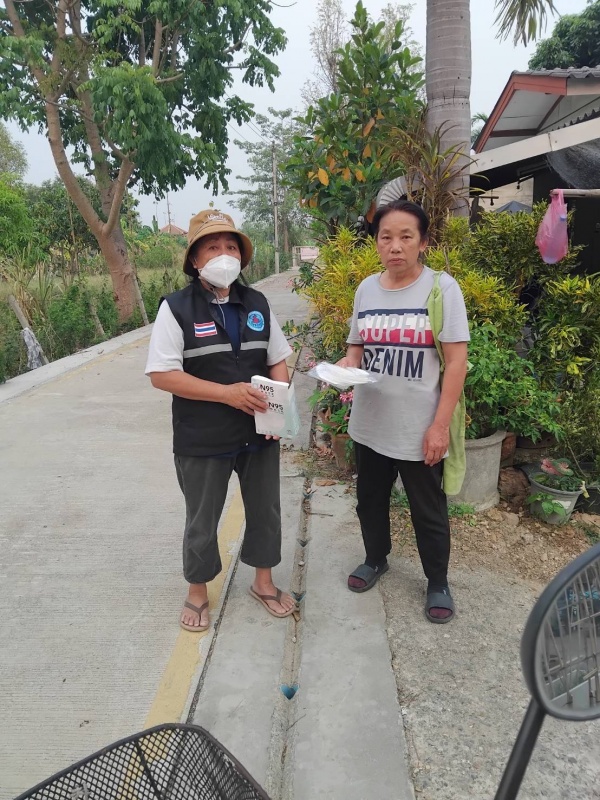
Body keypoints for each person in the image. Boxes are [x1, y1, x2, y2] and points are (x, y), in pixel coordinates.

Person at [145, 210, 296, 632]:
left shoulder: (257, 303)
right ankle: (197, 591)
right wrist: (227, 394)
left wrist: (277, 408)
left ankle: (263, 582)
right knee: (202, 517)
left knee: (265, 509)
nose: (224, 254)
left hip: (258, 432)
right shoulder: (176, 308)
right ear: (195, 259)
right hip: (202, 435)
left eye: (231, 246)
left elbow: (277, 358)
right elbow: (162, 375)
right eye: (212, 247)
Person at [339, 199, 469, 623]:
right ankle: (376, 558)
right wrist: (345, 365)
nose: (395, 246)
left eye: (405, 237)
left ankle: (438, 582)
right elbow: (357, 346)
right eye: (386, 237)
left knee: (427, 511)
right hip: (370, 423)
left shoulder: (441, 289)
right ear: (377, 243)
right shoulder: (366, 289)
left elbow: (456, 363)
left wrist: (439, 426)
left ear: (423, 242)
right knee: (369, 501)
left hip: (419, 427)